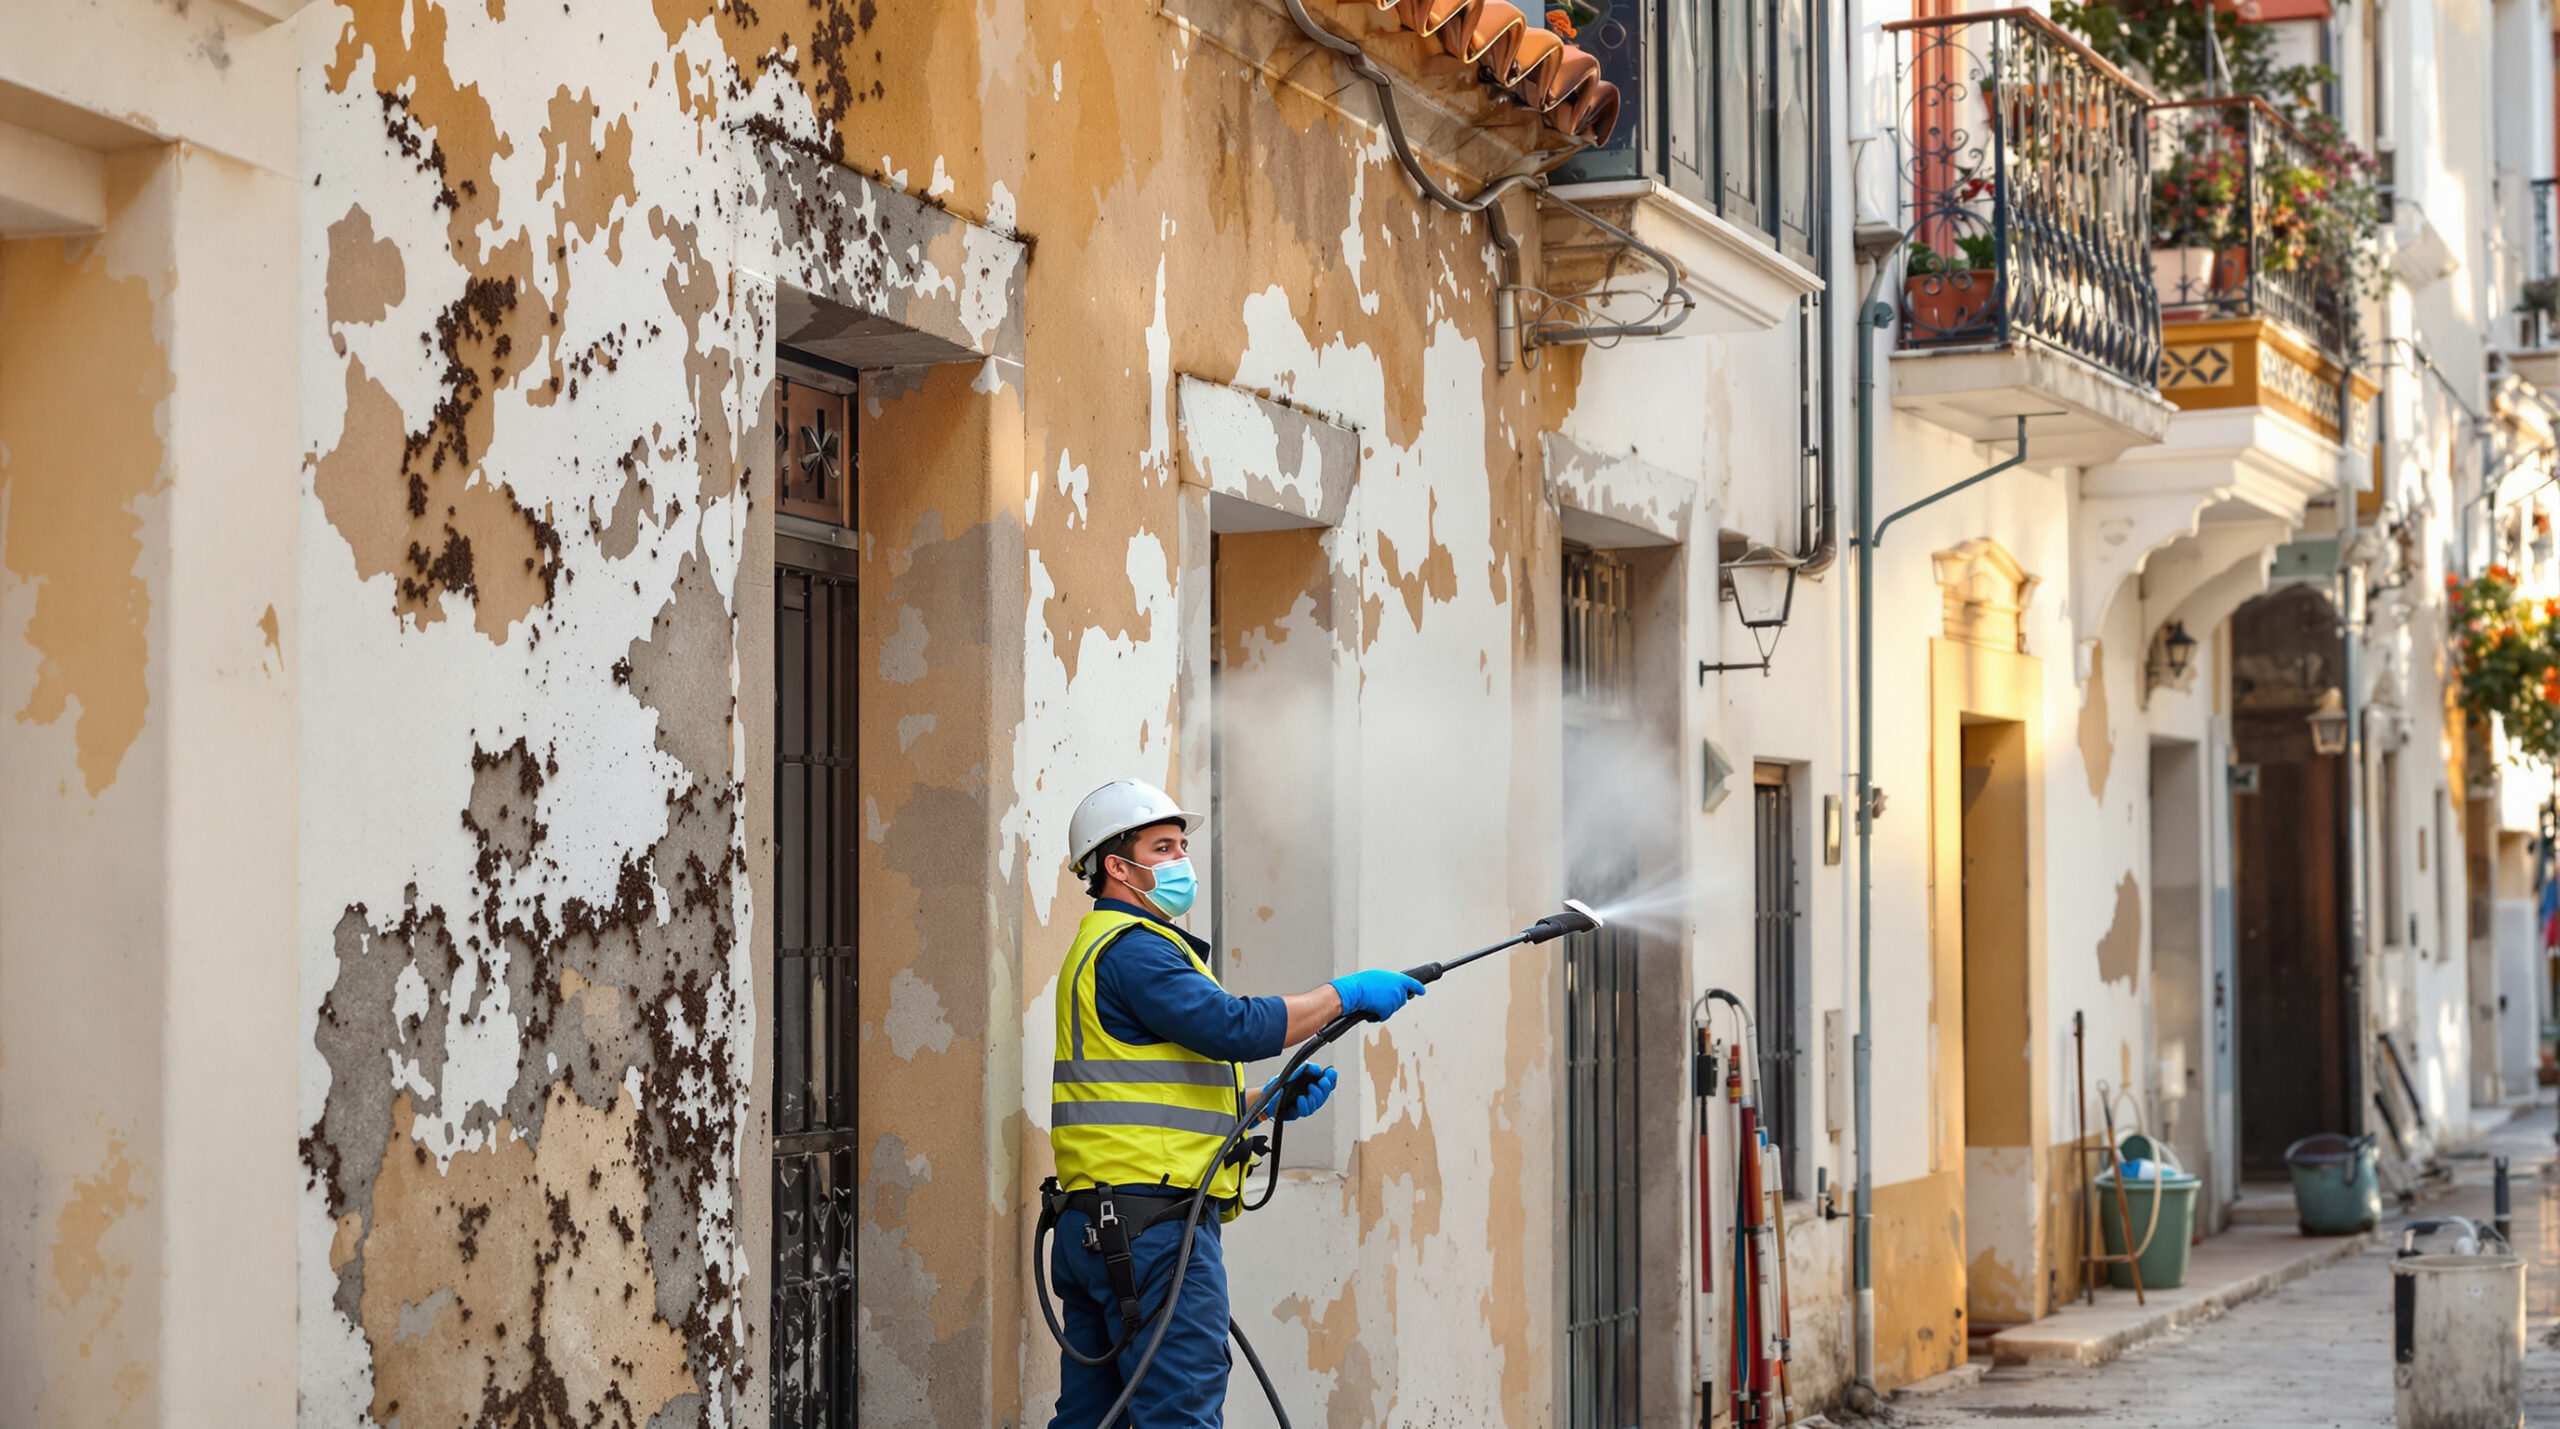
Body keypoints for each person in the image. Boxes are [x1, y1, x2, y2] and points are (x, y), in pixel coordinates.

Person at [1045, 778, 1426, 1428]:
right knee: (1179, 1417)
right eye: (1162, 847)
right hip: (1153, 1236)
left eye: (1182, 845)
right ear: (1115, 865)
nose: (1180, 861)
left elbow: (1145, 1092)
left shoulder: (1101, 949)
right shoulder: (1135, 950)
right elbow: (1236, 1027)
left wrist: (1264, 1101)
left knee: (1091, 1422)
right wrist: (1346, 991)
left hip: (1097, 1229)